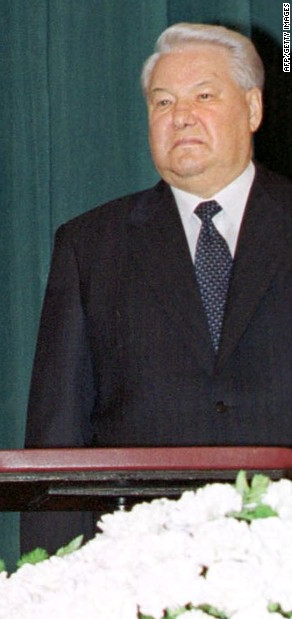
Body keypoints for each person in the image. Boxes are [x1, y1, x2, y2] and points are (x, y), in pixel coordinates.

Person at [23, 22, 292, 553]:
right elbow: (58, 436)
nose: (181, 116)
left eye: (204, 95)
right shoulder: (90, 246)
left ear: (254, 108)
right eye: (162, 102)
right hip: (142, 561)